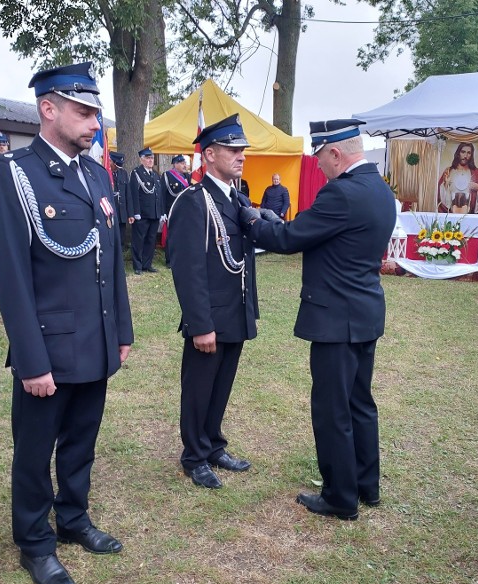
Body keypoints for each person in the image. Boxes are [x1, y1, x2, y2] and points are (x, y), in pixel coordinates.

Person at [0, 62, 133, 584]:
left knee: (81, 441)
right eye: (85, 112)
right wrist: (31, 359)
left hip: (96, 340)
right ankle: (35, 542)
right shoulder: (15, 174)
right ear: (49, 109)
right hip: (49, 345)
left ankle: (73, 518)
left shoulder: (94, 174)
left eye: (97, 113)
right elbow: (10, 277)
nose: (95, 123)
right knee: (34, 449)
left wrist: (123, 332)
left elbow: (111, 259)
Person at [240, 118, 396, 520]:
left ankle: (340, 497)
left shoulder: (341, 193)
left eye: (320, 157)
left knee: (332, 409)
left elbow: (289, 240)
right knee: (360, 402)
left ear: (336, 154)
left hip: (336, 319)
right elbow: (316, 232)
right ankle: (366, 485)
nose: (317, 165)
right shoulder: (379, 189)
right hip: (363, 312)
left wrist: (253, 222)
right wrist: (280, 223)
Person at [168, 113, 258, 490]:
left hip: (235, 310)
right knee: (200, 386)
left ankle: (213, 444)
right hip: (210, 317)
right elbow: (187, 269)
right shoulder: (194, 201)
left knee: (222, 385)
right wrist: (200, 324)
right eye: (232, 150)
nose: (240, 156)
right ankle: (194, 455)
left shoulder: (238, 198)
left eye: (242, 150)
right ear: (208, 155)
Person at [129, 147, 161, 274]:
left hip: (154, 213)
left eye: (152, 158)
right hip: (142, 214)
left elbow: (159, 196)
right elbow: (133, 195)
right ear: (141, 160)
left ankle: (147, 264)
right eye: (148, 158)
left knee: (151, 240)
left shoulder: (155, 174)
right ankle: (137, 265)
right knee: (139, 240)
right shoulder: (136, 173)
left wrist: (161, 212)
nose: (150, 160)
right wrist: (135, 212)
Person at [436, 142, 478, 214]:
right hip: (450, 213)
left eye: (469, 153)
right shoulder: (448, 171)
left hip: (470, 213)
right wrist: (445, 185)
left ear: (471, 155)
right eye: (463, 152)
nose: (465, 156)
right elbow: (439, 193)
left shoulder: (476, 173)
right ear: (458, 153)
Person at [160, 154, 191, 268]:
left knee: (183, 235)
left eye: (185, 163)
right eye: (182, 163)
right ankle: (169, 259)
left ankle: (182, 257)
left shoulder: (188, 176)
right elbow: (162, 194)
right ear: (175, 164)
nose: (184, 166)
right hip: (171, 210)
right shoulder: (167, 176)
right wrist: (163, 212)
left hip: (185, 211)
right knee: (171, 236)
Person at [109, 151, 132, 251]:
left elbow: (128, 194)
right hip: (110, 212)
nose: (118, 168)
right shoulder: (105, 172)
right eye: (116, 165)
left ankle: (120, 260)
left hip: (122, 212)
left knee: (121, 238)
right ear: (111, 162)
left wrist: (130, 213)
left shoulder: (123, 173)